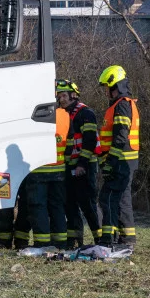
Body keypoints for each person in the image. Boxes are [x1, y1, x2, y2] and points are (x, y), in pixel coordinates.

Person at [96, 65, 139, 250]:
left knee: (109, 197)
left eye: (108, 87)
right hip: (123, 160)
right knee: (121, 199)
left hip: (120, 161)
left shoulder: (122, 105)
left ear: (116, 86)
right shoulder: (120, 104)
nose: (106, 91)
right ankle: (126, 239)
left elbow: (121, 137)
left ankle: (109, 239)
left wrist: (110, 162)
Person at [57, 79, 101, 248]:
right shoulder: (62, 115)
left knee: (88, 205)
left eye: (64, 96)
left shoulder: (85, 113)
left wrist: (82, 164)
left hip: (85, 166)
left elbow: (89, 141)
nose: (61, 100)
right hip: (69, 167)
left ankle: (100, 238)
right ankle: (75, 240)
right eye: (59, 97)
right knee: (70, 205)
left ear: (73, 95)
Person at [26, 91, 70, 249]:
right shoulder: (65, 115)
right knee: (57, 206)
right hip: (59, 170)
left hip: (40, 170)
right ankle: (60, 242)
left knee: (39, 207)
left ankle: (42, 242)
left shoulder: (33, 115)